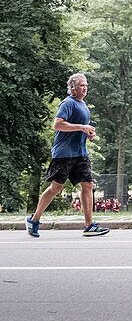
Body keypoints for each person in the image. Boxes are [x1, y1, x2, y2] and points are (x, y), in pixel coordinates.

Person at [25, 73, 110, 237]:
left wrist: (87, 133)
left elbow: (80, 128)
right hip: (64, 153)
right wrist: (81, 127)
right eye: (81, 85)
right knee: (56, 187)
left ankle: (89, 225)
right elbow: (57, 124)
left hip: (80, 153)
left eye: (86, 85)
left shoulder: (84, 105)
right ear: (73, 87)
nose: (85, 88)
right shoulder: (68, 103)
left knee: (88, 185)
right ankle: (34, 219)